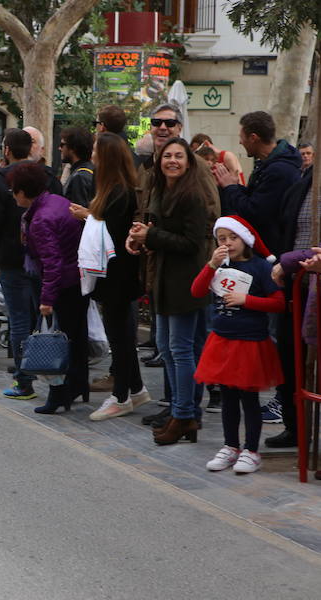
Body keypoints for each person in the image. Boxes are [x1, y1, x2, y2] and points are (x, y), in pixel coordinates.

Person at [127, 138, 210, 444]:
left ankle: (185, 416)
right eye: (167, 156)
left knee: (181, 349)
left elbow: (192, 244)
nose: (172, 161)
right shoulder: (161, 191)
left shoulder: (193, 195)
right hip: (163, 279)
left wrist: (153, 235)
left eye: (178, 156)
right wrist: (140, 236)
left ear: (188, 162)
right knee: (166, 346)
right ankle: (180, 412)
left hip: (186, 282)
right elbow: (154, 231)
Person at [192, 216, 284, 473]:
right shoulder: (219, 266)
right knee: (228, 397)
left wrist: (247, 300)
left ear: (245, 239)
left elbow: (278, 302)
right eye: (222, 239)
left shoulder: (261, 268)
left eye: (233, 238)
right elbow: (197, 291)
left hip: (250, 342)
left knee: (249, 398)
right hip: (222, 340)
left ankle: (251, 450)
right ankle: (230, 446)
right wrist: (211, 264)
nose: (228, 243)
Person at [11, 162, 87, 413]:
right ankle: (76, 386)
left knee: (56, 341)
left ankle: (58, 395)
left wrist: (46, 300)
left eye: (14, 190)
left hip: (63, 283)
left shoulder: (41, 219)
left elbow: (52, 263)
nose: (13, 195)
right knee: (74, 338)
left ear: (23, 191)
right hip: (76, 279)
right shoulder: (55, 201)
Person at [85, 132, 151, 421]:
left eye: (96, 149)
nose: (92, 154)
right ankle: (134, 388)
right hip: (115, 274)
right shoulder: (115, 188)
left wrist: (85, 217)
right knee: (121, 334)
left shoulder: (119, 192)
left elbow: (110, 232)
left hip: (117, 275)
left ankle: (121, 395)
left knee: (120, 336)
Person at [0, 128, 40, 400]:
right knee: (42, 318)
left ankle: (24, 380)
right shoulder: (47, 176)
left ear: (6, 150)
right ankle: (51, 373)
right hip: (44, 258)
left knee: (19, 321)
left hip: (13, 259)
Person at [213, 111, 301, 258]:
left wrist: (231, 187)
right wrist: (233, 186)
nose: (240, 142)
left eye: (241, 137)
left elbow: (255, 212)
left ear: (253, 138)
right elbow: (257, 199)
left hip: (272, 254)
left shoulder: (279, 171)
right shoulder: (269, 166)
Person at [60, 127, 95, 207]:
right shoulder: (90, 170)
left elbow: (78, 214)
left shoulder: (79, 177)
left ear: (73, 148)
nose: (59, 148)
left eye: (62, 145)